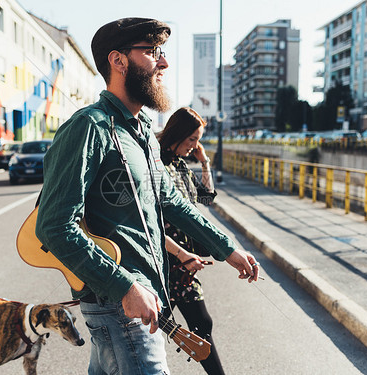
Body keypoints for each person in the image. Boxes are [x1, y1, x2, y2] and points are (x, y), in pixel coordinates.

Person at [35, 17, 260, 375]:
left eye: (162, 52)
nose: (164, 62)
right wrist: (125, 286)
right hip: (121, 303)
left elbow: (171, 201)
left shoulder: (139, 130)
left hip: (135, 300)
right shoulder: (88, 127)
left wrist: (226, 247)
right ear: (119, 61)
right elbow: (53, 226)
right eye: (152, 52)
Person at [158, 107, 225, 375]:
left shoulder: (180, 164)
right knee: (143, 330)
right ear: (177, 134)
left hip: (183, 265)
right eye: (191, 140)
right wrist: (180, 253)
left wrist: (204, 162)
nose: (194, 146)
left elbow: (206, 198)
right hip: (164, 261)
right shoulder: (157, 164)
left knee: (200, 324)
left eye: (198, 140)